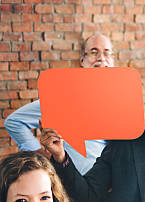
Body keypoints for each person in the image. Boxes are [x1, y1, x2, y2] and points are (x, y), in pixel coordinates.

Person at [4, 33, 113, 175]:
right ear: (82, 60)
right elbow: (14, 122)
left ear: (113, 60)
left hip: (112, 186)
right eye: (94, 52)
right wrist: (40, 155)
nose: (101, 58)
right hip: (75, 184)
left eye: (107, 53)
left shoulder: (122, 100)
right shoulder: (65, 97)